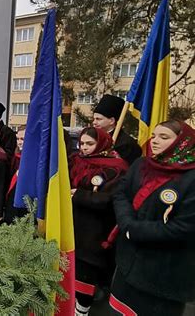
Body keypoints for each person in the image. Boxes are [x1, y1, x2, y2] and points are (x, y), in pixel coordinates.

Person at [109, 120, 195, 316]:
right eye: (154, 135)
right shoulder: (142, 164)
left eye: (163, 137)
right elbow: (121, 193)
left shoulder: (192, 178)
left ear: (183, 142)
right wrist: (127, 223)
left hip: (163, 274)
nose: (154, 141)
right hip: (128, 263)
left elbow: (185, 227)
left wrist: (135, 230)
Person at [69, 127, 128, 316]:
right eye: (82, 143)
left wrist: (79, 195)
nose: (84, 148)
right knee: (71, 272)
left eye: (89, 144)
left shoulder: (116, 168)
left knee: (86, 276)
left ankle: (82, 310)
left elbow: (111, 200)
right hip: (73, 226)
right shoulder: (75, 160)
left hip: (94, 232)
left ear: (102, 143)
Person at [93, 94, 142, 165]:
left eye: (98, 119)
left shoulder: (126, 144)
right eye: (94, 119)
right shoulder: (93, 138)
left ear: (112, 121)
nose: (94, 122)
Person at [3, 126, 28, 224]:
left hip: (25, 201)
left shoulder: (35, 160)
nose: (19, 142)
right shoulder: (15, 157)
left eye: (22, 139)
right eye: (17, 139)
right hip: (12, 198)